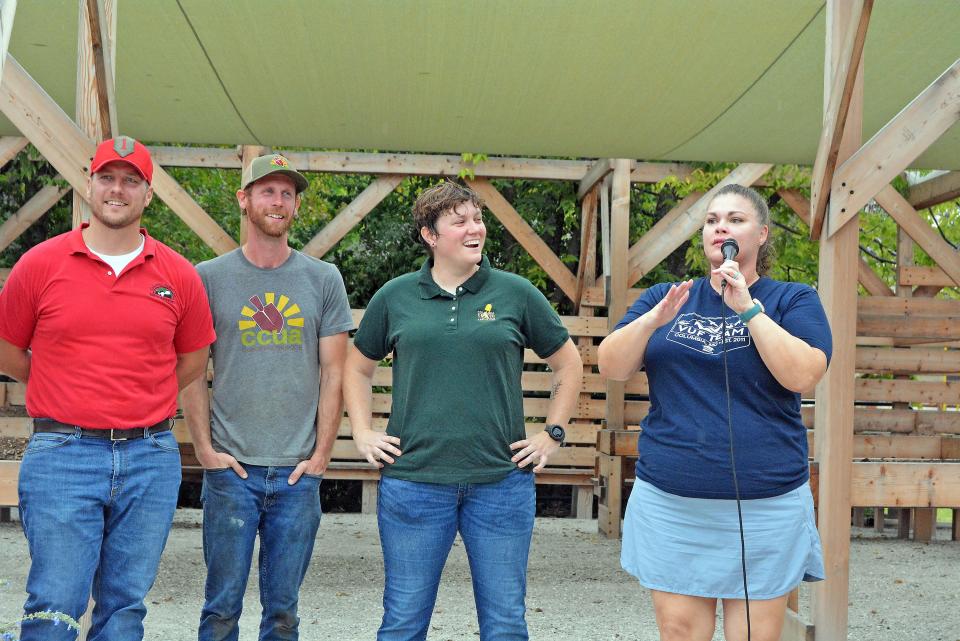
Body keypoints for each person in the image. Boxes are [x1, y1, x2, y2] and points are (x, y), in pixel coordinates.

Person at [343, 181, 583, 641]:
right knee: (402, 622)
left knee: (506, 625)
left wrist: (551, 434)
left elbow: (568, 363)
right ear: (430, 236)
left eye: (477, 219)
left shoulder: (516, 293)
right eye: (460, 222)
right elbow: (357, 369)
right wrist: (362, 431)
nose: (475, 229)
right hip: (413, 482)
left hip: (501, 484)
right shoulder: (395, 297)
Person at [0, 136, 215, 641]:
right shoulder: (41, 264)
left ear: (147, 194)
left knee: (124, 608)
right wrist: (57, 379)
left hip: (150, 455)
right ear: (89, 184)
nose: (117, 189)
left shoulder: (178, 275)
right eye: (107, 177)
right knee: (54, 604)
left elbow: (193, 359)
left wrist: (142, 392)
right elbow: (7, 349)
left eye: (131, 180)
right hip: (62, 453)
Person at [597, 183, 831, 641]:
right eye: (712, 219)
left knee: (751, 636)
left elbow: (803, 375)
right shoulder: (667, 297)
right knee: (680, 631)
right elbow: (612, 365)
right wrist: (651, 320)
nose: (720, 226)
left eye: (735, 219)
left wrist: (747, 309)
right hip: (673, 500)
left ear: (761, 234)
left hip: (765, 503)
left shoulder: (791, 299)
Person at [181, 153, 353, 641]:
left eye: (287, 193)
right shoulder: (208, 277)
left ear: (296, 206)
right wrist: (205, 451)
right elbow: (192, 373)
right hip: (231, 471)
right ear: (244, 200)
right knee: (220, 611)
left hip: (297, 473)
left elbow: (334, 373)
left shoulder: (323, 279)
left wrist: (321, 456)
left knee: (283, 614)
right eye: (267, 191)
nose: (278, 201)